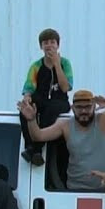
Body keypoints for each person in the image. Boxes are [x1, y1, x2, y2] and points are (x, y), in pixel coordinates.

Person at [18, 89, 105, 191]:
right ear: (72, 108)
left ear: (94, 107)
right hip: (76, 192)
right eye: (79, 107)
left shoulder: (103, 119)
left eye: (87, 107)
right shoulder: (64, 125)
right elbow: (38, 136)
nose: (83, 111)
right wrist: (31, 120)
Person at [19, 28, 73, 167]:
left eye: (52, 42)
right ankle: (29, 145)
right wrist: (27, 98)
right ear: (41, 46)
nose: (49, 45)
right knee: (25, 110)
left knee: (50, 110)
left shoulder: (65, 63)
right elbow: (29, 86)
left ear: (58, 45)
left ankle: (36, 149)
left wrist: (56, 64)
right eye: (45, 42)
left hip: (59, 101)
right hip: (41, 99)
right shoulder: (36, 65)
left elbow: (65, 87)